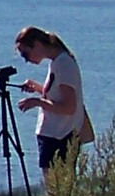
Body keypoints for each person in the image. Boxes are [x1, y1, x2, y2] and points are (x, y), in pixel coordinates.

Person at [15, 26, 85, 175]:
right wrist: (37, 88)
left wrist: (37, 102)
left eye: (25, 54)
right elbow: (57, 96)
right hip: (53, 136)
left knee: (58, 191)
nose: (26, 60)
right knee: (54, 190)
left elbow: (69, 107)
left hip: (60, 137)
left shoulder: (63, 64)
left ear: (37, 44)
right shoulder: (57, 62)